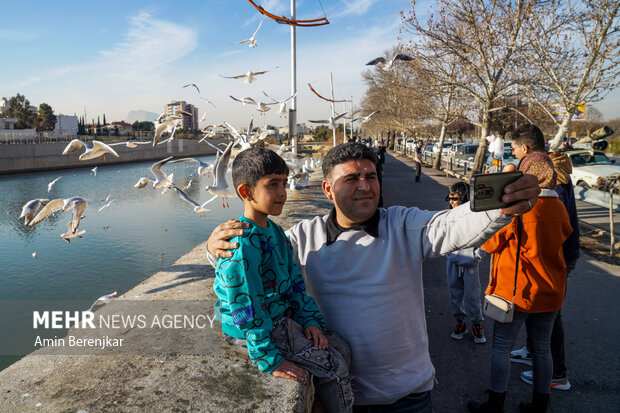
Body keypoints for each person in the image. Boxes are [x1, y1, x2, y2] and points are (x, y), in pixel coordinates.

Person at [208, 143, 540, 412]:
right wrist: (213, 248)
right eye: (351, 179)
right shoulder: (299, 237)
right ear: (327, 189)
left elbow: (452, 225)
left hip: (407, 398)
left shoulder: (403, 225)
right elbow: (248, 271)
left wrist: (499, 208)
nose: (365, 186)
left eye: (371, 175)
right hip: (339, 394)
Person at [213, 147, 353, 412]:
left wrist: (310, 320)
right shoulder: (242, 246)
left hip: (278, 316)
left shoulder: (275, 232)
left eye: (284, 184)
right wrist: (269, 358)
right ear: (246, 192)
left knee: (341, 349)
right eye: (272, 185)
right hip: (250, 331)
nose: (282, 193)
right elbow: (243, 307)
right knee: (333, 365)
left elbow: (294, 283)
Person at [467, 125, 573, 413]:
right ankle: (540, 404)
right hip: (550, 290)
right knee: (541, 348)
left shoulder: (520, 208)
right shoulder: (559, 208)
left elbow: (490, 245)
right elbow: (564, 236)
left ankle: (495, 402)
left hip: (515, 290)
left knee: (501, 346)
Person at [510, 150, 581, 391]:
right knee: (542, 313)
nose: (513, 152)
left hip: (554, 258)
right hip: (558, 255)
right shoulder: (555, 172)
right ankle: (534, 353)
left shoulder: (552, 182)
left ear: (529, 152)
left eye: (516, 148)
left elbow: (550, 226)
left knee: (549, 314)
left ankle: (557, 374)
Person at [445, 182, 487, 344]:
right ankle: (460, 322)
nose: (450, 201)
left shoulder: (476, 216)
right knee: (454, 295)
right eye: (449, 198)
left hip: (471, 263)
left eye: (454, 198)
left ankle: (477, 324)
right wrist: (447, 253)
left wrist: (477, 255)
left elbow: (486, 237)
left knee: (473, 296)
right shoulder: (447, 216)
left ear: (463, 198)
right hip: (452, 262)